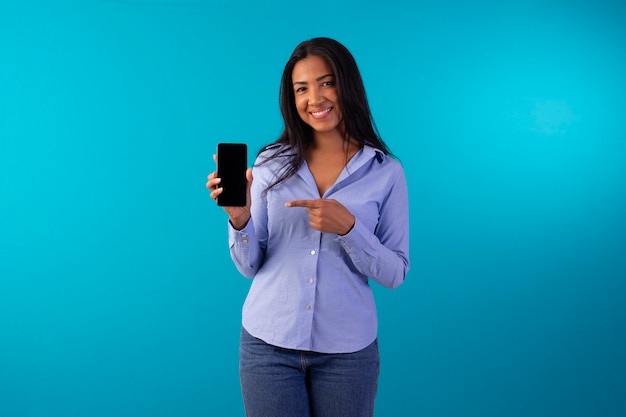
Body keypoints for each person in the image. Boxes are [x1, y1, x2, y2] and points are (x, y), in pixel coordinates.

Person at [206, 37, 410, 417]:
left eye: (326, 82)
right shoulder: (271, 162)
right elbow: (250, 265)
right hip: (267, 345)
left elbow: (396, 272)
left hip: (347, 353)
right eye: (302, 88)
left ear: (347, 85)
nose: (315, 98)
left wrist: (349, 228)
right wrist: (240, 217)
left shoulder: (386, 172)